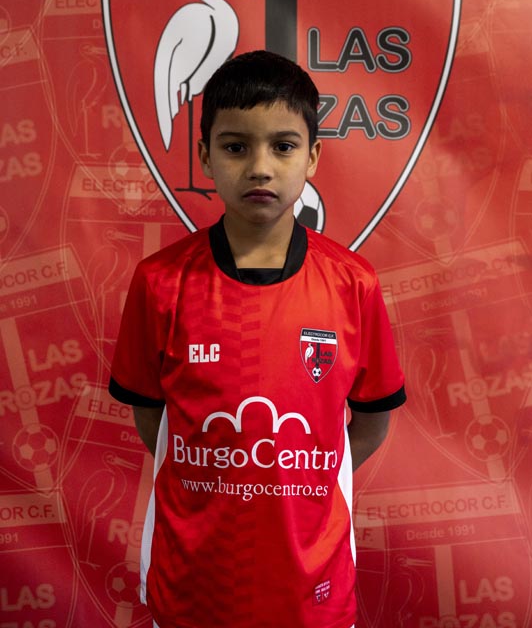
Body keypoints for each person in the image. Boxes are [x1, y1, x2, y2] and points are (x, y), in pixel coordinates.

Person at [109, 50, 406, 628]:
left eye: (283, 146)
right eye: (236, 147)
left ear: (313, 156)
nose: (260, 168)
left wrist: (298, 475)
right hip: (192, 588)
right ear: (205, 155)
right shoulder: (160, 282)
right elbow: (153, 419)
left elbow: (372, 423)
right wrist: (222, 468)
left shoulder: (353, 283)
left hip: (312, 593)